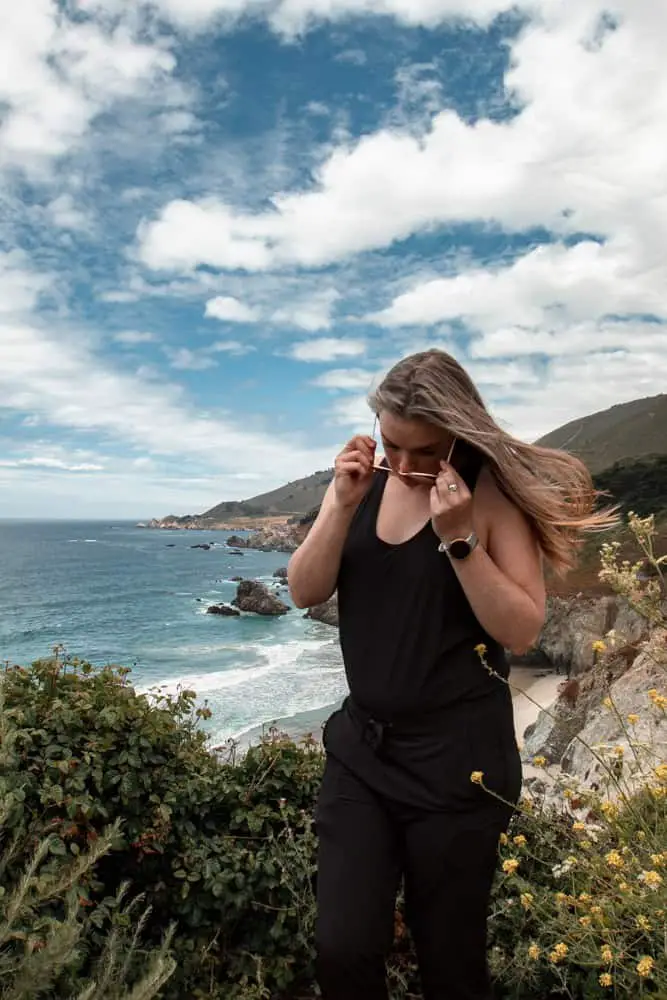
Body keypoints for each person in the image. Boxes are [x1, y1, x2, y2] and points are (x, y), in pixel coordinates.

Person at [287, 349, 615, 1000]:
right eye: (391, 445)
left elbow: (520, 628)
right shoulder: (367, 484)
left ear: (459, 434)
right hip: (363, 754)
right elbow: (304, 589)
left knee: (450, 962)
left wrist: (459, 539)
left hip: (458, 766)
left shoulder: (488, 496)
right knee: (342, 949)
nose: (404, 466)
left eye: (425, 451)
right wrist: (338, 501)